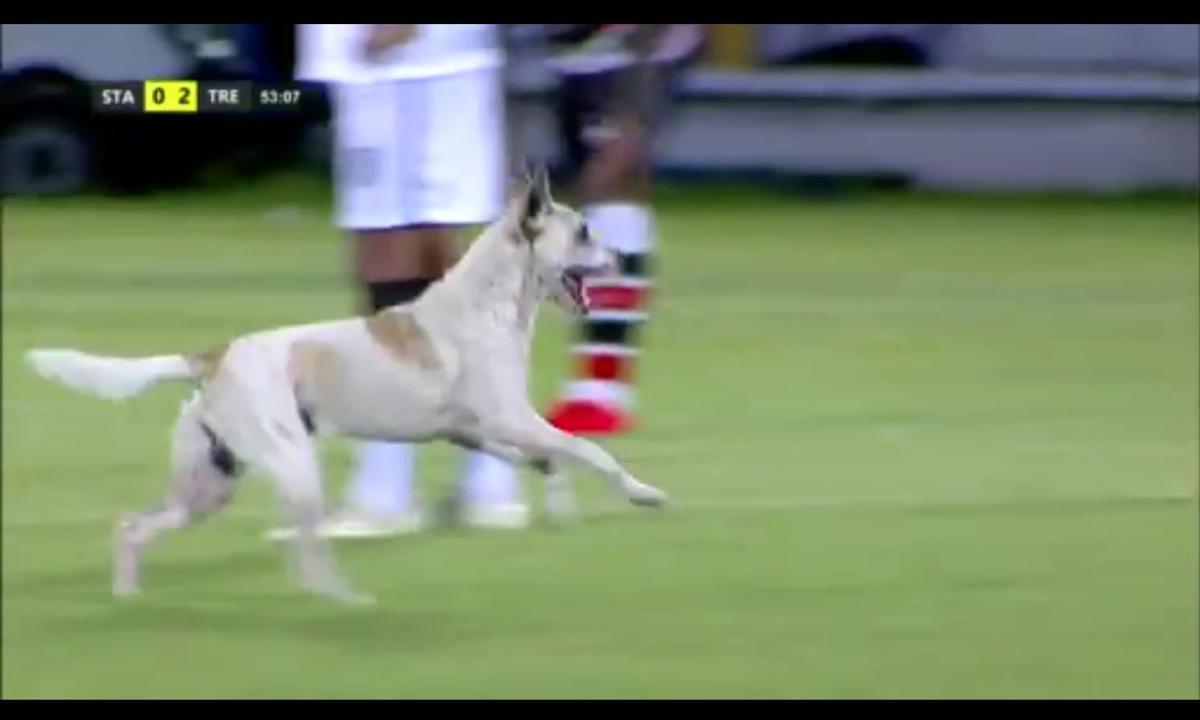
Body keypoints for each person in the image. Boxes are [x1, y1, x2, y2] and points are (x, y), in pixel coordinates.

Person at [277, 24, 529, 539]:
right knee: (416, 270)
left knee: (400, 265)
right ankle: (485, 478)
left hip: (411, 68)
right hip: (392, 68)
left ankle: (394, 489)